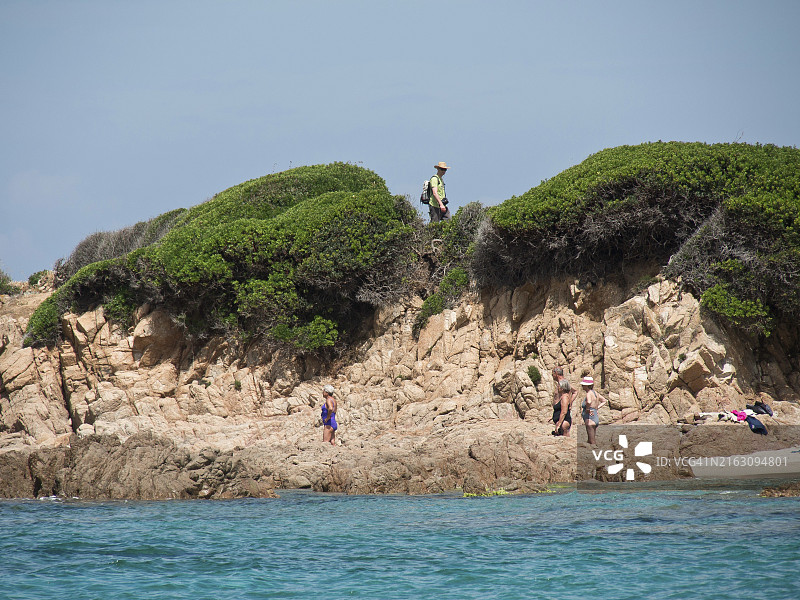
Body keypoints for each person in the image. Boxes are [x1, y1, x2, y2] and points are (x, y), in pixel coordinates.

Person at [580, 376, 607, 445]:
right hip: (594, 417)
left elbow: (589, 402)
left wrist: (588, 409)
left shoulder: (589, 393)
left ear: (586, 385)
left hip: (590, 418)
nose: (582, 386)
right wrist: (596, 408)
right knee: (590, 440)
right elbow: (604, 401)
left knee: (592, 442)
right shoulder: (595, 393)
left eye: (583, 385)